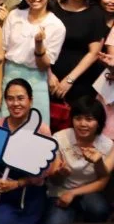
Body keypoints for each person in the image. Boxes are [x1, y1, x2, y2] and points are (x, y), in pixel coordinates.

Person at [0, 79, 53, 224]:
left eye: (20, 98)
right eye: (10, 99)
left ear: (31, 100)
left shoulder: (41, 130)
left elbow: (45, 170)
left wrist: (18, 183)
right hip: (1, 189)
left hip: (31, 191)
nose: (15, 103)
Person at [1, 0, 67, 124]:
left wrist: (39, 45)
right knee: (3, 125)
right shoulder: (14, 15)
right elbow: (2, 52)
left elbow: (44, 65)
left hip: (36, 80)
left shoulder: (56, 26)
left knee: (34, 126)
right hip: (9, 75)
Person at [50, 0, 106, 122]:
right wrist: (48, 74)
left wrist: (69, 80)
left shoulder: (95, 13)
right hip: (47, 77)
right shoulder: (52, 7)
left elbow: (94, 52)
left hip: (80, 82)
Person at [45, 96, 114, 224]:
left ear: (99, 122)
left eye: (89, 119)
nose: (83, 124)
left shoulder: (108, 145)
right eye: (78, 118)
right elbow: (54, 181)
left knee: (100, 210)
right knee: (55, 222)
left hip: (88, 191)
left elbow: (101, 183)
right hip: (61, 190)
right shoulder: (60, 138)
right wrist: (60, 174)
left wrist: (98, 162)